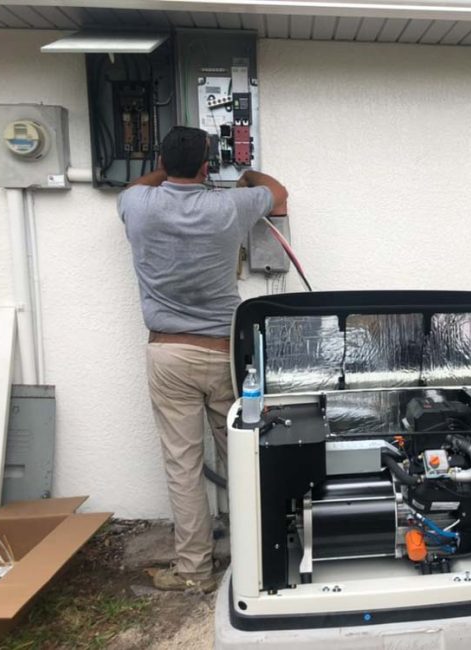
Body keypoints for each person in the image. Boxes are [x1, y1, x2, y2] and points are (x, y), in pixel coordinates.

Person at [117, 126, 287, 592]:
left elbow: (139, 186)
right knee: (245, 456)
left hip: (168, 352)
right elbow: (277, 192)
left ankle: (194, 571)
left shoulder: (138, 204)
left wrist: (166, 171)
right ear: (208, 166)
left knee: (182, 465)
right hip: (223, 353)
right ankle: (258, 557)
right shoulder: (228, 205)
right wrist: (245, 171)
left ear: (163, 162)